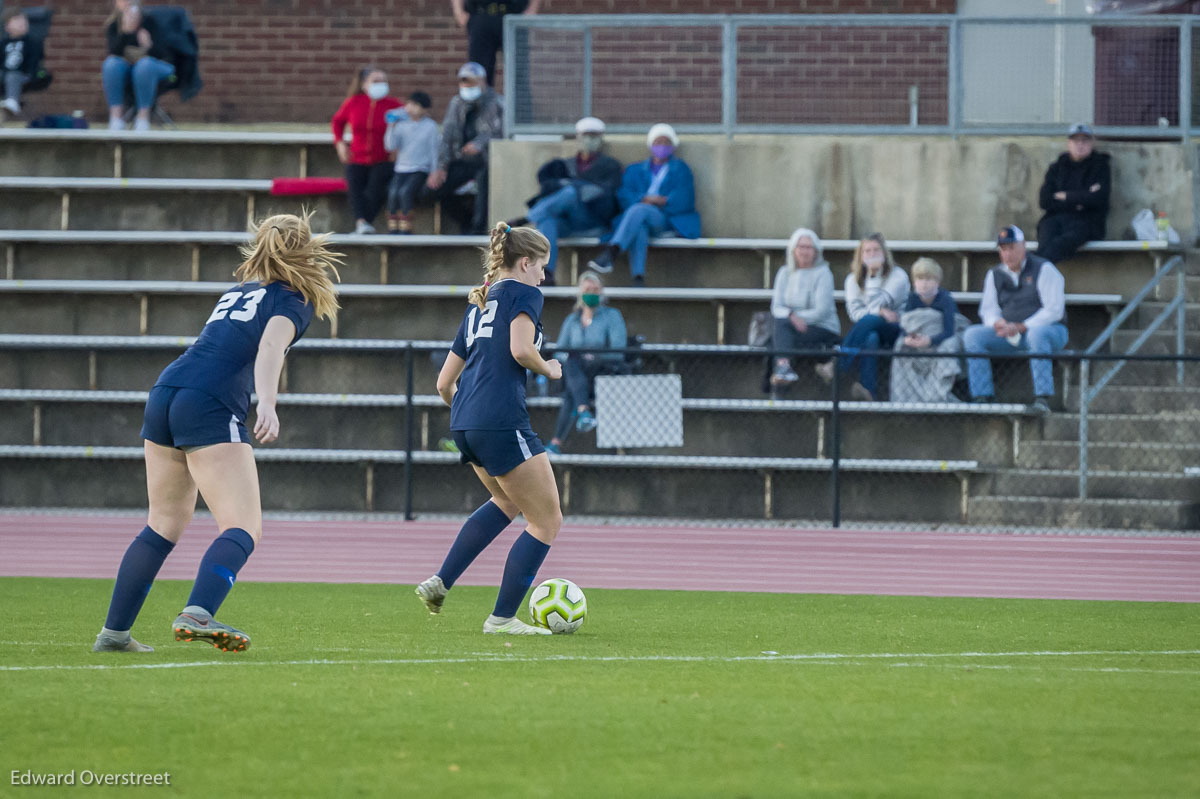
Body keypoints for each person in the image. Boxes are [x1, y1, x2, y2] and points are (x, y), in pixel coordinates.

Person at [92, 213, 342, 653]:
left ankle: (114, 634)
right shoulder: (294, 298)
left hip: (167, 389)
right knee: (243, 525)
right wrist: (268, 400)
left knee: (162, 524)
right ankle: (198, 612)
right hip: (209, 399)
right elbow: (270, 347)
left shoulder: (238, 290)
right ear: (308, 251)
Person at [417, 222, 562, 636]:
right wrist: (548, 368)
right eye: (542, 266)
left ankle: (441, 581)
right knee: (547, 521)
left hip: (464, 421)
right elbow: (520, 348)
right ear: (526, 261)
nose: (543, 276)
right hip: (500, 420)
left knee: (506, 502)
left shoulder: (478, 303)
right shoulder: (525, 293)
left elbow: (444, 383)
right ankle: (501, 619)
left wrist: (468, 411)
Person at [964, 225, 1068, 414]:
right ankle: (982, 397)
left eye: (1012, 248)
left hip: (1050, 331)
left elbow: (1054, 310)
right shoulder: (994, 274)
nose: (1007, 254)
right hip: (1009, 332)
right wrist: (997, 323)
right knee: (973, 335)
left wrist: (1022, 326)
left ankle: (1042, 398)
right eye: (1003, 249)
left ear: (1023, 246)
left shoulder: (1044, 268)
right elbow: (988, 310)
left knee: (1037, 335)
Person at [513, 116, 623, 286]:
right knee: (547, 219)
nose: (589, 140)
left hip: (593, 220)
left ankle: (527, 218)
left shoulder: (610, 165)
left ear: (601, 139)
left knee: (570, 192)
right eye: (586, 135)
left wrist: (574, 186)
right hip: (568, 221)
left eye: (594, 136)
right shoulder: (566, 164)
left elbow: (606, 192)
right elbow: (549, 187)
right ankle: (546, 273)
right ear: (578, 138)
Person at [587, 123, 701, 287]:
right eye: (658, 142)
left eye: (666, 142)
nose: (661, 146)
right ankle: (638, 277)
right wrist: (648, 198)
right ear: (651, 145)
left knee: (640, 209)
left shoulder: (680, 169)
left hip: (666, 219)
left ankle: (612, 252)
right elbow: (625, 195)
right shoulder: (635, 169)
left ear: (673, 146)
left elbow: (684, 198)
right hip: (639, 218)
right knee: (639, 224)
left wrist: (653, 201)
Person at [819, 233, 911, 401]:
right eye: (867, 251)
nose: (872, 254)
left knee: (871, 320)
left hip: (896, 329)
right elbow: (855, 314)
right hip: (868, 330)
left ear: (884, 253)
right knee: (871, 336)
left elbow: (881, 301)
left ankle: (837, 364)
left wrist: (874, 275)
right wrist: (879, 312)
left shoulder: (898, 276)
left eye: (876, 250)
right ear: (860, 256)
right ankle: (869, 392)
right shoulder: (851, 280)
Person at [545, 271, 627, 454]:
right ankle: (583, 412)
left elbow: (618, 351)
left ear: (602, 292)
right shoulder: (572, 320)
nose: (591, 293)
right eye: (587, 289)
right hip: (577, 376)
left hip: (603, 373)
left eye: (595, 289)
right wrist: (578, 358)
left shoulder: (612, 316)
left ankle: (557, 442)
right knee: (572, 362)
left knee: (570, 392)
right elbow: (560, 352)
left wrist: (594, 357)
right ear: (580, 293)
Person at [428, 62, 504, 235]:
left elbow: (499, 132)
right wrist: (441, 167)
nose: (468, 87)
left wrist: (479, 144)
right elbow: (447, 135)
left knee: (483, 181)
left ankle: (478, 228)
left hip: (487, 161)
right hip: (462, 160)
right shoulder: (456, 103)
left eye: (472, 82)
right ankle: (466, 221)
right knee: (436, 189)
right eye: (464, 83)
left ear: (483, 82)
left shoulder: (497, 103)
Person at [331, 66, 403, 234]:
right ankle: (361, 222)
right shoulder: (353, 103)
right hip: (357, 156)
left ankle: (365, 223)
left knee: (376, 188)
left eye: (383, 81)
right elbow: (337, 122)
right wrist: (340, 143)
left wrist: (398, 148)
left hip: (383, 158)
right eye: (376, 81)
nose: (381, 85)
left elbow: (406, 127)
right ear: (364, 85)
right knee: (354, 184)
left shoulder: (394, 106)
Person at [768, 228, 841, 387]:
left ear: (816, 251)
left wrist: (795, 318)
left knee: (779, 337)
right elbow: (777, 307)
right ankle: (783, 372)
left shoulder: (823, 273)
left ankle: (776, 384)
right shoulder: (784, 273)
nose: (804, 251)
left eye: (809, 247)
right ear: (793, 250)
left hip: (822, 328)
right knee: (780, 334)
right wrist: (791, 316)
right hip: (793, 327)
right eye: (801, 247)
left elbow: (822, 311)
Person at [889, 257, 965, 404]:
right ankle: (904, 398)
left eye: (929, 279)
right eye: (920, 279)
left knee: (950, 345)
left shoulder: (945, 299)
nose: (924, 284)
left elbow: (949, 331)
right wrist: (908, 338)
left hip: (939, 339)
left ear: (937, 281)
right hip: (919, 341)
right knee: (900, 345)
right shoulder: (912, 299)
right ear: (914, 282)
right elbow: (906, 324)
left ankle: (937, 395)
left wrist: (930, 341)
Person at [1035, 123, 1111, 264]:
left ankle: (1035, 270)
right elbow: (1044, 200)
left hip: (1087, 222)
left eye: (1085, 141)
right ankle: (1037, 271)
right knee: (1045, 240)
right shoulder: (1057, 167)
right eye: (1076, 141)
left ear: (1092, 143)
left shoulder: (1100, 166)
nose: (1080, 145)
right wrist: (1081, 198)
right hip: (1054, 219)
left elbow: (1098, 199)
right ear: (1068, 143)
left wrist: (1065, 196)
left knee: (1058, 246)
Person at [102, 2, 176, 131]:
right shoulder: (113, 25)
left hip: (158, 69)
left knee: (144, 65)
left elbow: (166, 54)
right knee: (111, 64)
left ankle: (143, 118)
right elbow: (113, 52)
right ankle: (116, 118)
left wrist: (149, 46)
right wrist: (125, 33)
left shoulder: (150, 21)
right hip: (128, 71)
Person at [383, 90, 440, 235]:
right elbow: (390, 146)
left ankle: (406, 227)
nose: (410, 108)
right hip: (401, 168)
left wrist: (434, 171)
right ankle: (393, 226)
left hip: (420, 168)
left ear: (424, 109)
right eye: (409, 104)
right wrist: (391, 126)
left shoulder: (430, 127)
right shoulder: (402, 125)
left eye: (415, 105)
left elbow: (434, 151)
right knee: (393, 192)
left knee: (405, 192)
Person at [450, 0, 540, 88]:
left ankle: (519, 103)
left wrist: (532, 10)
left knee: (519, 73)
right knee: (479, 74)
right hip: (481, 16)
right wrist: (458, 11)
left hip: (514, 16)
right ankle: (479, 102)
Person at [1, 7, 43, 118]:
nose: (22, 22)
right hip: (5, 74)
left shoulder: (31, 42)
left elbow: (34, 60)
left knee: (12, 76)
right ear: (7, 26)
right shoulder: (3, 43)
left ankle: (12, 102)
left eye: (24, 20)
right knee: (8, 75)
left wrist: (31, 73)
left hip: (23, 74)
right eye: (16, 20)